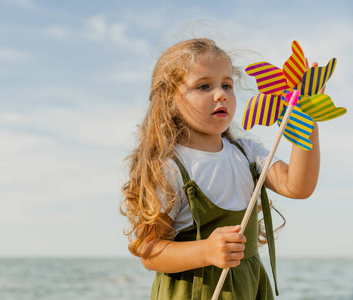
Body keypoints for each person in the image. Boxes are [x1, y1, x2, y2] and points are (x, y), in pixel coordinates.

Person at [120, 38, 320, 299]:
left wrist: (307, 115)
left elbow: (298, 186)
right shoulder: (170, 167)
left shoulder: (248, 154)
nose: (221, 93)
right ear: (170, 99)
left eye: (227, 84)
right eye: (204, 86)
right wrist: (206, 251)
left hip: (248, 288)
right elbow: (149, 252)